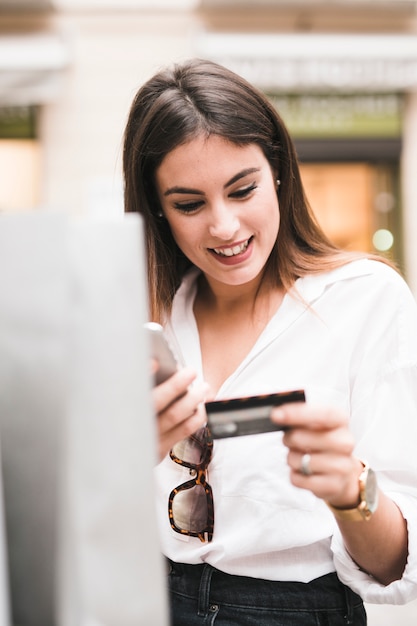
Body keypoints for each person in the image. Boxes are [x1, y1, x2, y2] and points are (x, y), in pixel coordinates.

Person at [123, 58, 417, 625]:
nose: (225, 227)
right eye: (189, 204)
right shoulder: (147, 315)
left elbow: (394, 567)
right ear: (159, 210)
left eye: (243, 190)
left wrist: (352, 489)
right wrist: (129, 454)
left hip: (298, 610)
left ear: (278, 172)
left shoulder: (366, 299)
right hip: (154, 601)